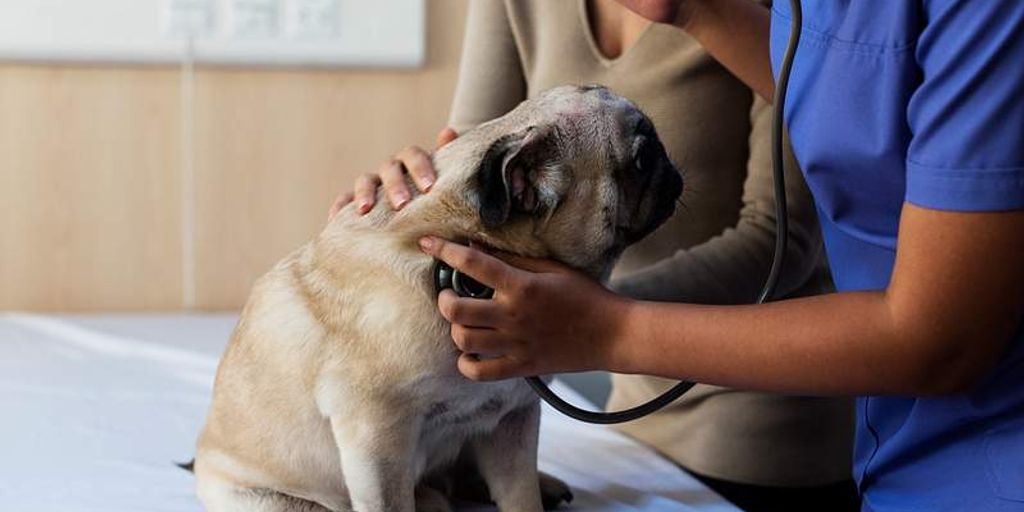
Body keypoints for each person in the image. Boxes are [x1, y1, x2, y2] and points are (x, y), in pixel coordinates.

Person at [409, 1, 1024, 511]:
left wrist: (597, 324)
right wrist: (408, 197)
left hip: (873, 447)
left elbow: (937, 335)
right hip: (861, 446)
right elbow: (474, 187)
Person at [331, 1, 860, 510]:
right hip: (623, 419)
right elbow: (479, 176)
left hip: (755, 435)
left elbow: (779, 241)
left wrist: (585, 322)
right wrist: (409, 198)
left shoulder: (783, 12)